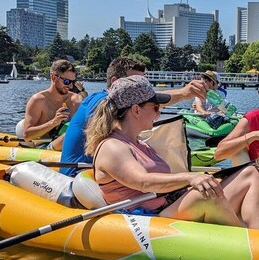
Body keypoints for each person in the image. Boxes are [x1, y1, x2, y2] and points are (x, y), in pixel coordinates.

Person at [85, 76, 259, 230]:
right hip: (148, 218)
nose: (159, 113)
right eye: (155, 108)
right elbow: (142, 182)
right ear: (135, 110)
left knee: (250, 173)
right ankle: (247, 241)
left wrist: (193, 180)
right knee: (205, 196)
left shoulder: (139, 142)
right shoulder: (112, 146)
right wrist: (190, 178)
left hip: (169, 204)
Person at [59, 58, 207, 176]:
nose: (142, 86)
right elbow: (144, 104)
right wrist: (183, 93)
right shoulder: (102, 101)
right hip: (80, 177)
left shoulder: (112, 102)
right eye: (136, 82)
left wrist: (185, 93)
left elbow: (146, 102)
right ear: (115, 82)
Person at [21, 59, 86, 150]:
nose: (71, 86)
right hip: (45, 147)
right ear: (54, 78)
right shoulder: (38, 101)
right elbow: (27, 136)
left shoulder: (77, 100)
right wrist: (54, 122)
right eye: (67, 82)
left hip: (71, 147)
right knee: (68, 135)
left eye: (73, 82)